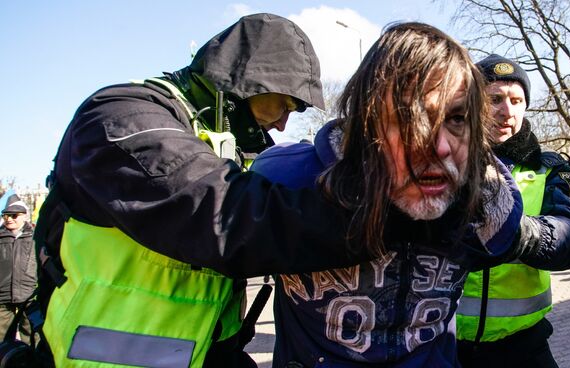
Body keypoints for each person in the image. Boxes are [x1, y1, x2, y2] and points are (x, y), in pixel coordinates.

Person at [34, 13, 457, 368]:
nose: (282, 125)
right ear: (246, 82)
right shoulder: (123, 119)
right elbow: (228, 216)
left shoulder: (213, 139)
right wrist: (401, 213)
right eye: (282, 104)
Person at [249, 22, 551, 367]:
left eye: (456, 119)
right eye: (413, 116)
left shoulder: (489, 206)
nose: (438, 146)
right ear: (366, 118)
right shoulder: (286, 178)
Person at [455, 54, 570, 368]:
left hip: (524, 347)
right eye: (494, 99)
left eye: (517, 100)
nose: (506, 111)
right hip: (445, 347)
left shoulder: (549, 167)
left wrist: (518, 234)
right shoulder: (443, 160)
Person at [0, 194, 38, 344]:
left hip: (29, 295)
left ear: (24, 216)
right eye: (5, 215)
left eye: (13, 215)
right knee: (2, 340)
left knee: (31, 335)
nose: (9, 219)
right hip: (2, 297)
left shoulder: (35, 236)